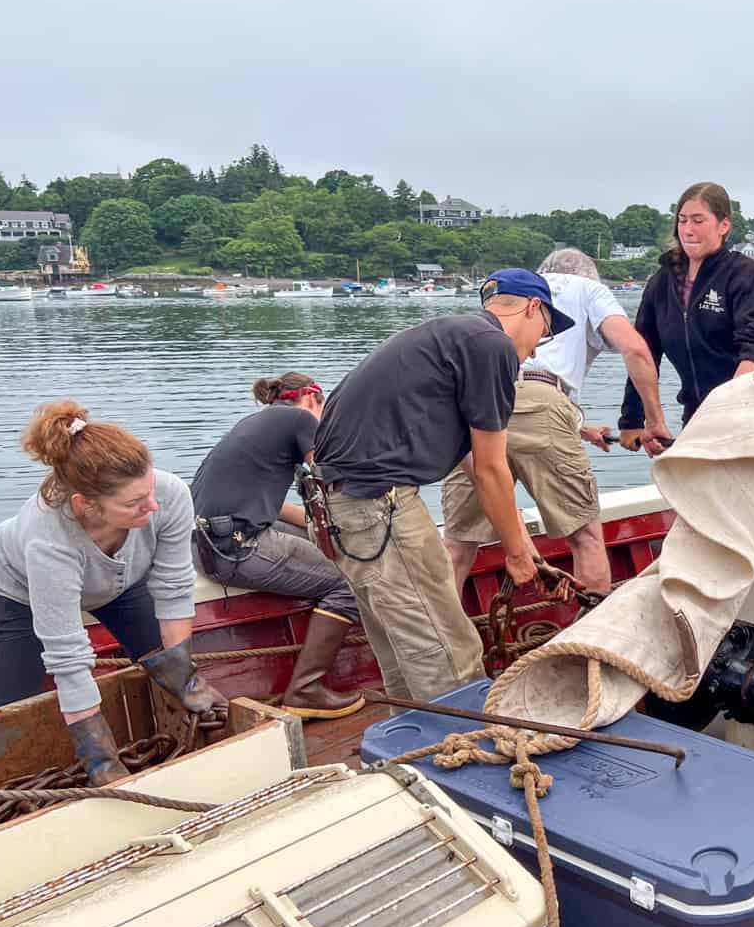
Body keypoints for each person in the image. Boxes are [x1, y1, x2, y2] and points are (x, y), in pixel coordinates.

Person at [307, 268, 571, 704]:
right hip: (378, 509)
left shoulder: (451, 336)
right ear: (533, 307)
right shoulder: (493, 347)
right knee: (450, 655)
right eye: (543, 333)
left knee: (404, 656)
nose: (535, 348)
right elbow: (491, 470)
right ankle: (459, 757)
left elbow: (471, 461)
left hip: (340, 510)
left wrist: (525, 548)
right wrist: (517, 559)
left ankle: (414, 754)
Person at [0, 402, 228, 783]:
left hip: (122, 583)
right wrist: (97, 750)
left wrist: (183, 677)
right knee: (15, 715)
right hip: (19, 593)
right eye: (134, 503)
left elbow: (174, 588)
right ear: (86, 504)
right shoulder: (48, 541)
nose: (152, 505)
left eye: (149, 490)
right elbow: (67, 654)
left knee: (165, 664)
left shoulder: (169, 494)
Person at [442, 250, 670, 595]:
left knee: (458, 546)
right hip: (545, 404)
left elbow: (516, 388)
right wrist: (653, 422)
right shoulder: (590, 290)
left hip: (475, 400)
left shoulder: (512, 294)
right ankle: (589, 645)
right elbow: (636, 350)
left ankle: (445, 645)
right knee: (586, 536)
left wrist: (579, 427)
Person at [191, 372, 364, 720]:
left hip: (207, 546)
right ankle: (305, 689)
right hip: (238, 548)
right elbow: (332, 482)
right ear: (315, 397)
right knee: (350, 583)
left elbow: (276, 509)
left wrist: (323, 534)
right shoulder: (300, 418)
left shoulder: (258, 423)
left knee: (323, 546)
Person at [615, 180, 754, 448]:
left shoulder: (744, 274)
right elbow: (643, 353)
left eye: (698, 220)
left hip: (744, 417)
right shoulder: (662, 281)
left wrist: (723, 414)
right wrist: (632, 420)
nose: (688, 230)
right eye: (682, 221)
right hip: (694, 416)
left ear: (723, 225)